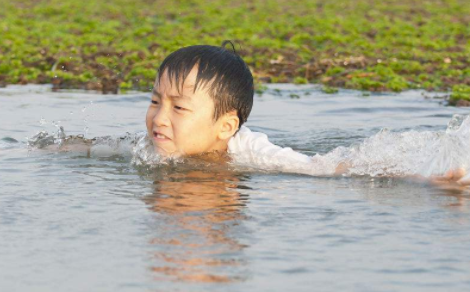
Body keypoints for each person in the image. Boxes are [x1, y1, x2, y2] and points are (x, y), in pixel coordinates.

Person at [144, 42, 470, 186]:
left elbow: (327, 171)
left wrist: (423, 180)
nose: (159, 118)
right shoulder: (149, 149)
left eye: (179, 107)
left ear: (226, 126)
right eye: (155, 101)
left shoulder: (251, 152)